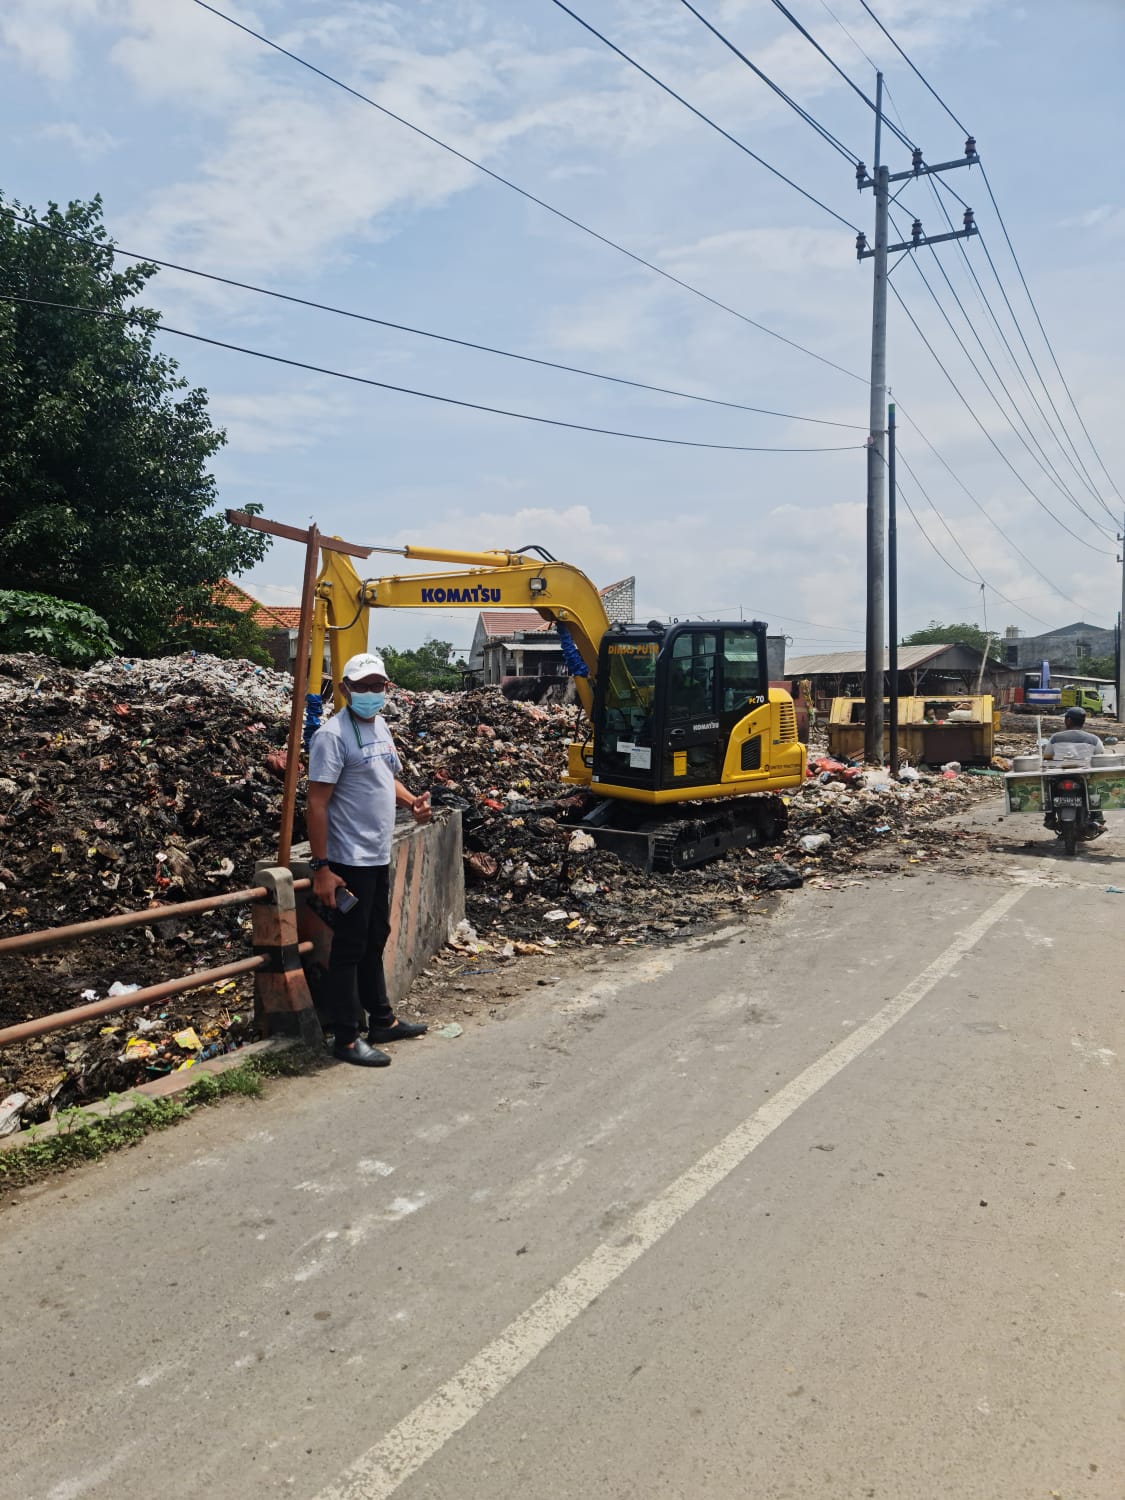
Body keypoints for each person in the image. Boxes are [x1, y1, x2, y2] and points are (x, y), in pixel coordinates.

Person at [307, 651, 433, 1067]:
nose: (370, 693)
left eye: (376, 686)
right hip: (348, 861)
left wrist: (413, 800)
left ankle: (382, 1019)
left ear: (386, 688)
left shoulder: (379, 726)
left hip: (378, 853)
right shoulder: (331, 735)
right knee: (349, 946)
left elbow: (384, 776)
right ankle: (345, 1038)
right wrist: (322, 869)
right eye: (361, 687)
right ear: (344, 689)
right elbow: (317, 803)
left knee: (375, 936)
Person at [1043, 706, 1106, 836]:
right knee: (1094, 790)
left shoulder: (1055, 738)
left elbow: (1047, 758)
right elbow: (1100, 758)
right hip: (1083, 777)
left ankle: (1049, 817)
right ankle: (1097, 818)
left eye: (1065, 718)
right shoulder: (1094, 739)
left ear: (1069, 720)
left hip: (1059, 776)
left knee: (1048, 788)